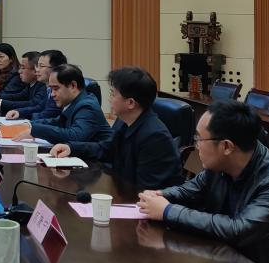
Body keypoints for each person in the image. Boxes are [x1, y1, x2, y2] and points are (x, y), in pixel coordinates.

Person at [137, 100, 269, 263]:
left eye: (199, 139)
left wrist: (168, 211)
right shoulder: (221, 165)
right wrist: (159, 195)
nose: (196, 146)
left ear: (226, 146)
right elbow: (191, 191)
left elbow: (238, 230)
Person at [48, 66, 181, 190]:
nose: (109, 99)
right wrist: (71, 148)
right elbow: (105, 149)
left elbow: (147, 190)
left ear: (130, 103)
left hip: (145, 201)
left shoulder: (154, 137)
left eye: (113, 94)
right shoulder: (125, 122)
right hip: (124, 193)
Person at [30, 64, 111, 144]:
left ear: (73, 86)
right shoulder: (74, 102)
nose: (52, 94)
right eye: (51, 89)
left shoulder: (87, 106)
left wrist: (35, 130)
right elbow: (58, 122)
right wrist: (29, 125)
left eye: (56, 89)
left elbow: (75, 137)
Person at [4, 49, 64, 120]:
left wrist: (25, 121)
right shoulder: (49, 89)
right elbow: (39, 107)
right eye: (37, 66)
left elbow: (49, 115)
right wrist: (18, 112)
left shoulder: (59, 90)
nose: (37, 70)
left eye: (41, 66)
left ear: (56, 69)